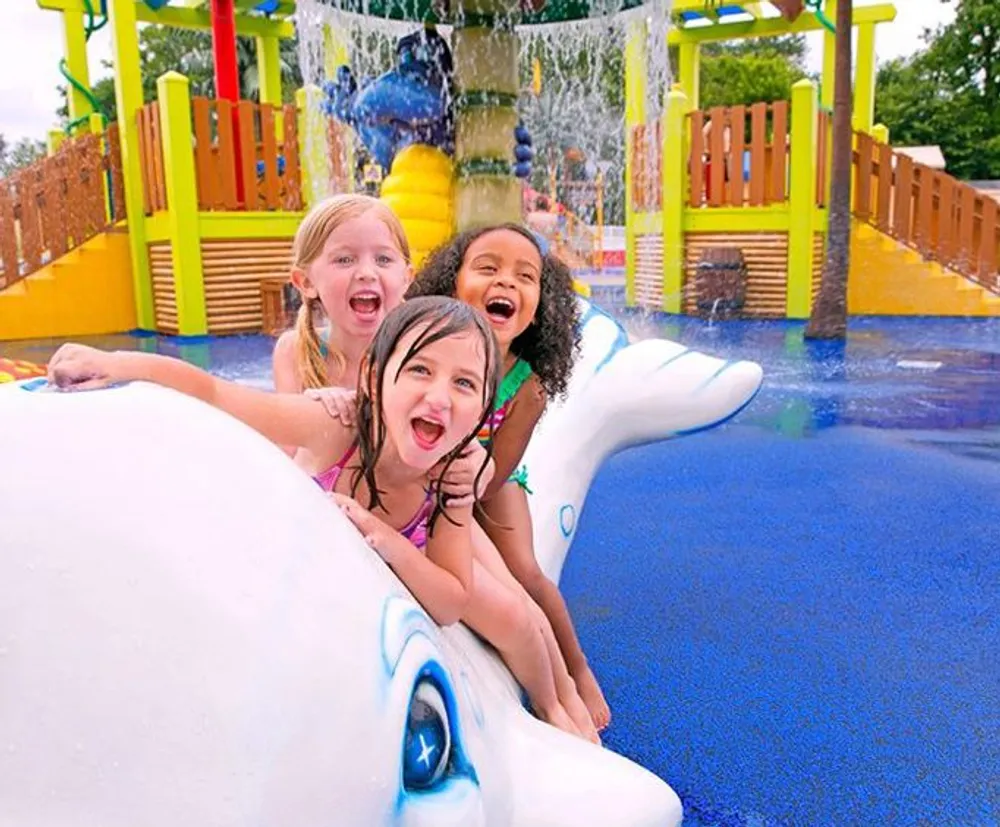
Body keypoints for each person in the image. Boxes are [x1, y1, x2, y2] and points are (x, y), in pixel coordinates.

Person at [47, 296, 592, 741]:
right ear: (376, 379)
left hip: (416, 535)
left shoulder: (451, 469)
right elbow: (216, 393)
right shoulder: (335, 424)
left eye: (464, 384)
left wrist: (384, 538)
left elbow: (449, 600)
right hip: (378, 513)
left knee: (518, 621)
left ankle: (554, 705)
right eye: (420, 369)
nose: (439, 396)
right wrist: (116, 364)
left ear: (479, 410)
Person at [406, 223, 612, 731]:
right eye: (488, 268)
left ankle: (577, 667)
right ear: (452, 283)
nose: (507, 282)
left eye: (526, 276)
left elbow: (498, 466)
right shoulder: (426, 349)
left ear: (540, 304)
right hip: (428, 468)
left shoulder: (527, 384)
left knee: (523, 569)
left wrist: (463, 496)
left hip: (490, 479)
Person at [271, 193, 412, 397]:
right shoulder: (294, 352)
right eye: (345, 260)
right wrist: (314, 408)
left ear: (406, 278)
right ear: (306, 282)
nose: (366, 273)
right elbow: (285, 425)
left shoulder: (422, 354)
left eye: (383, 259)